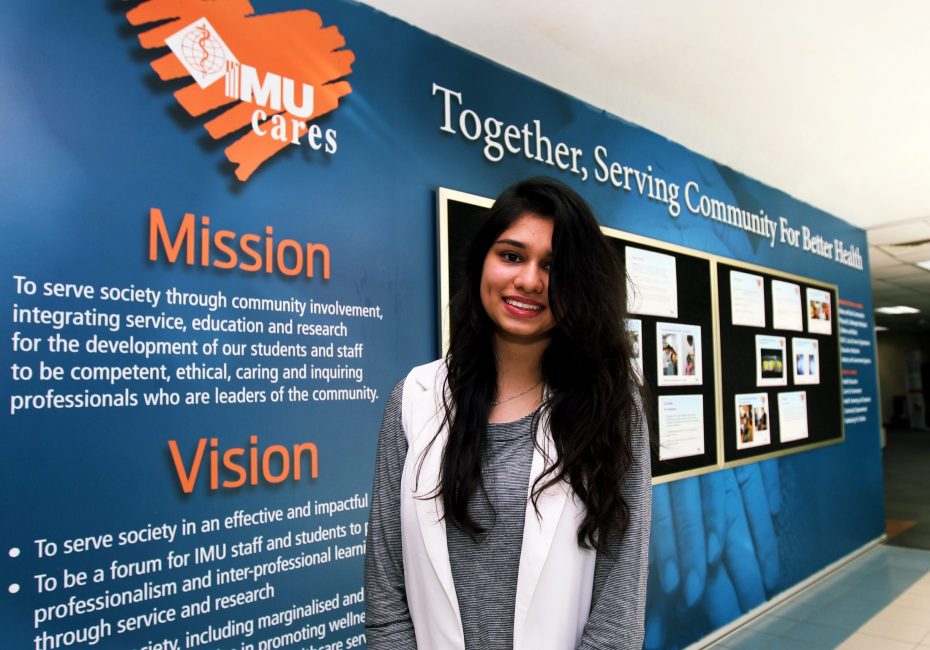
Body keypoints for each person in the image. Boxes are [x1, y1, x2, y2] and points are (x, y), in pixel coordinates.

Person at [365, 177, 652, 650]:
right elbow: (385, 599)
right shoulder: (414, 398)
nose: (530, 281)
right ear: (482, 261)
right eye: (512, 255)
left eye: (553, 266)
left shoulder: (612, 408)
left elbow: (618, 614)